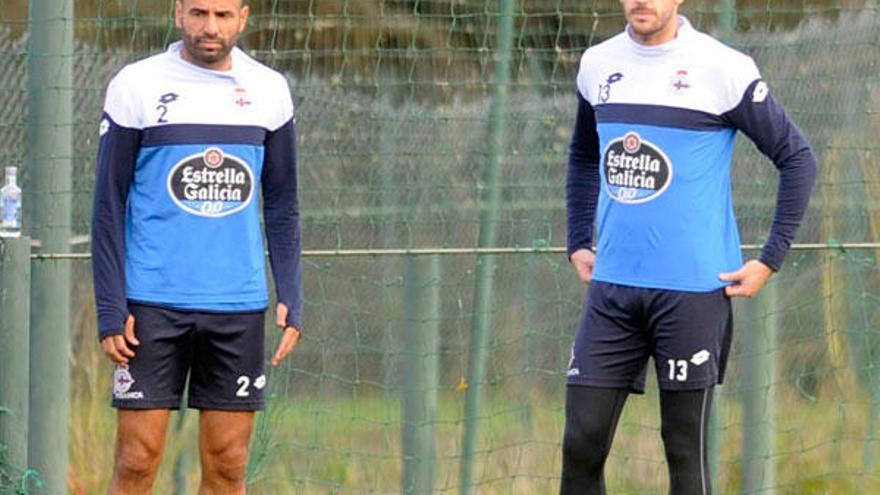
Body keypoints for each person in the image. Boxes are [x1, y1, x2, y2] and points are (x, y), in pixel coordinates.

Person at [561, 0, 817, 493]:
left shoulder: (723, 67)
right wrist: (578, 239)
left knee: (683, 449)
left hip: (692, 294)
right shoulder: (597, 63)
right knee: (581, 443)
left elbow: (797, 158)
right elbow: (582, 155)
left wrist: (770, 259)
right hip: (613, 291)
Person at [91, 0, 303, 492]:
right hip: (150, 307)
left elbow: (283, 202)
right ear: (177, 11)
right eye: (199, 12)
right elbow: (107, 205)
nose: (210, 27)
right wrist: (110, 306)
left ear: (243, 17)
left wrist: (291, 291)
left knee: (229, 465)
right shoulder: (135, 86)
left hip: (237, 308)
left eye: (223, 15)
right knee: (136, 462)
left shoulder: (270, 91)